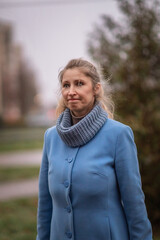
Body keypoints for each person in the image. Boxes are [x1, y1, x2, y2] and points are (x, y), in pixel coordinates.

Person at [36, 58, 152, 240]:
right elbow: (45, 205)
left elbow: (134, 204)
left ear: (96, 89)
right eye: (66, 85)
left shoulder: (118, 135)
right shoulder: (51, 138)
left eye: (79, 84)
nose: (71, 91)